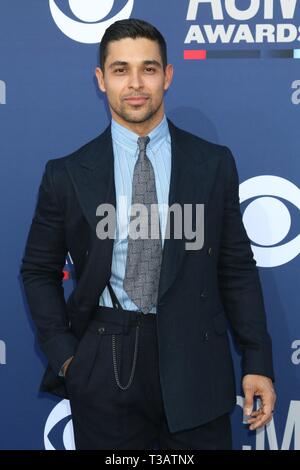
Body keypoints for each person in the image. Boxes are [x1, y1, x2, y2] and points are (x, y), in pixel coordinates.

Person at [20, 18, 276, 450]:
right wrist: (68, 358)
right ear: (101, 80)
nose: (135, 83)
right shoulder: (66, 174)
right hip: (104, 364)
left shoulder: (212, 163)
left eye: (149, 68)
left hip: (198, 363)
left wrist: (257, 360)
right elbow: (37, 271)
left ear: (168, 75)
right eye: (121, 69)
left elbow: (235, 267)